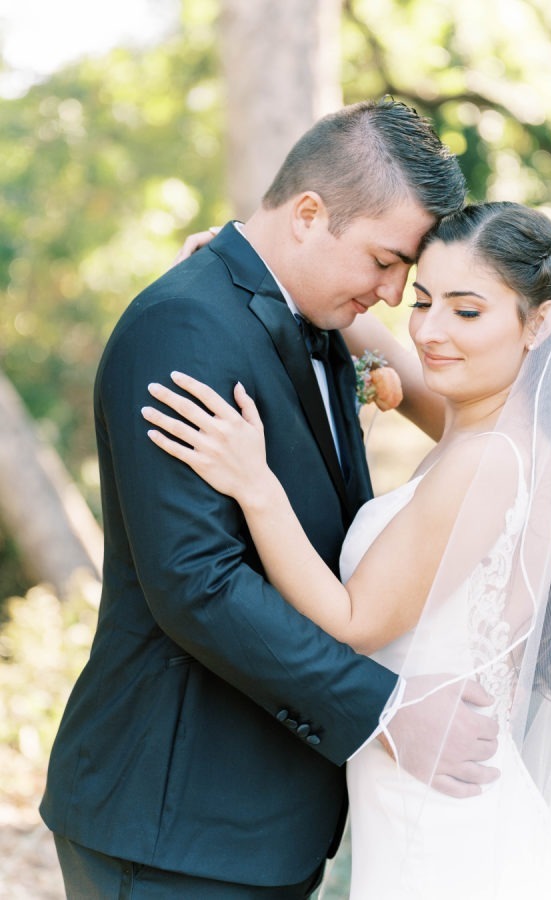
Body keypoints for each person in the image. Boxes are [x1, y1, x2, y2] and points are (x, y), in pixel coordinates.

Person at [39, 99, 501, 899]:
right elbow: (199, 585)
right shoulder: (187, 325)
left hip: (266, 827)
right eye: (386, 261)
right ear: (309, 214)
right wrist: (389, 711)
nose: (394, 296)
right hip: (175, 827)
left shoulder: (317, 319)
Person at [142, 202, 551, 899]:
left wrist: (254, 484)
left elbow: (353, 620)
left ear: (539, 324)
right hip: (421, 806)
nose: (432, 331)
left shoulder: (490, 462)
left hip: (450, 836)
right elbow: (383, 350)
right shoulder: (486, 424)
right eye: (422, 300)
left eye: (467, 311)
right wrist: (252, 258)